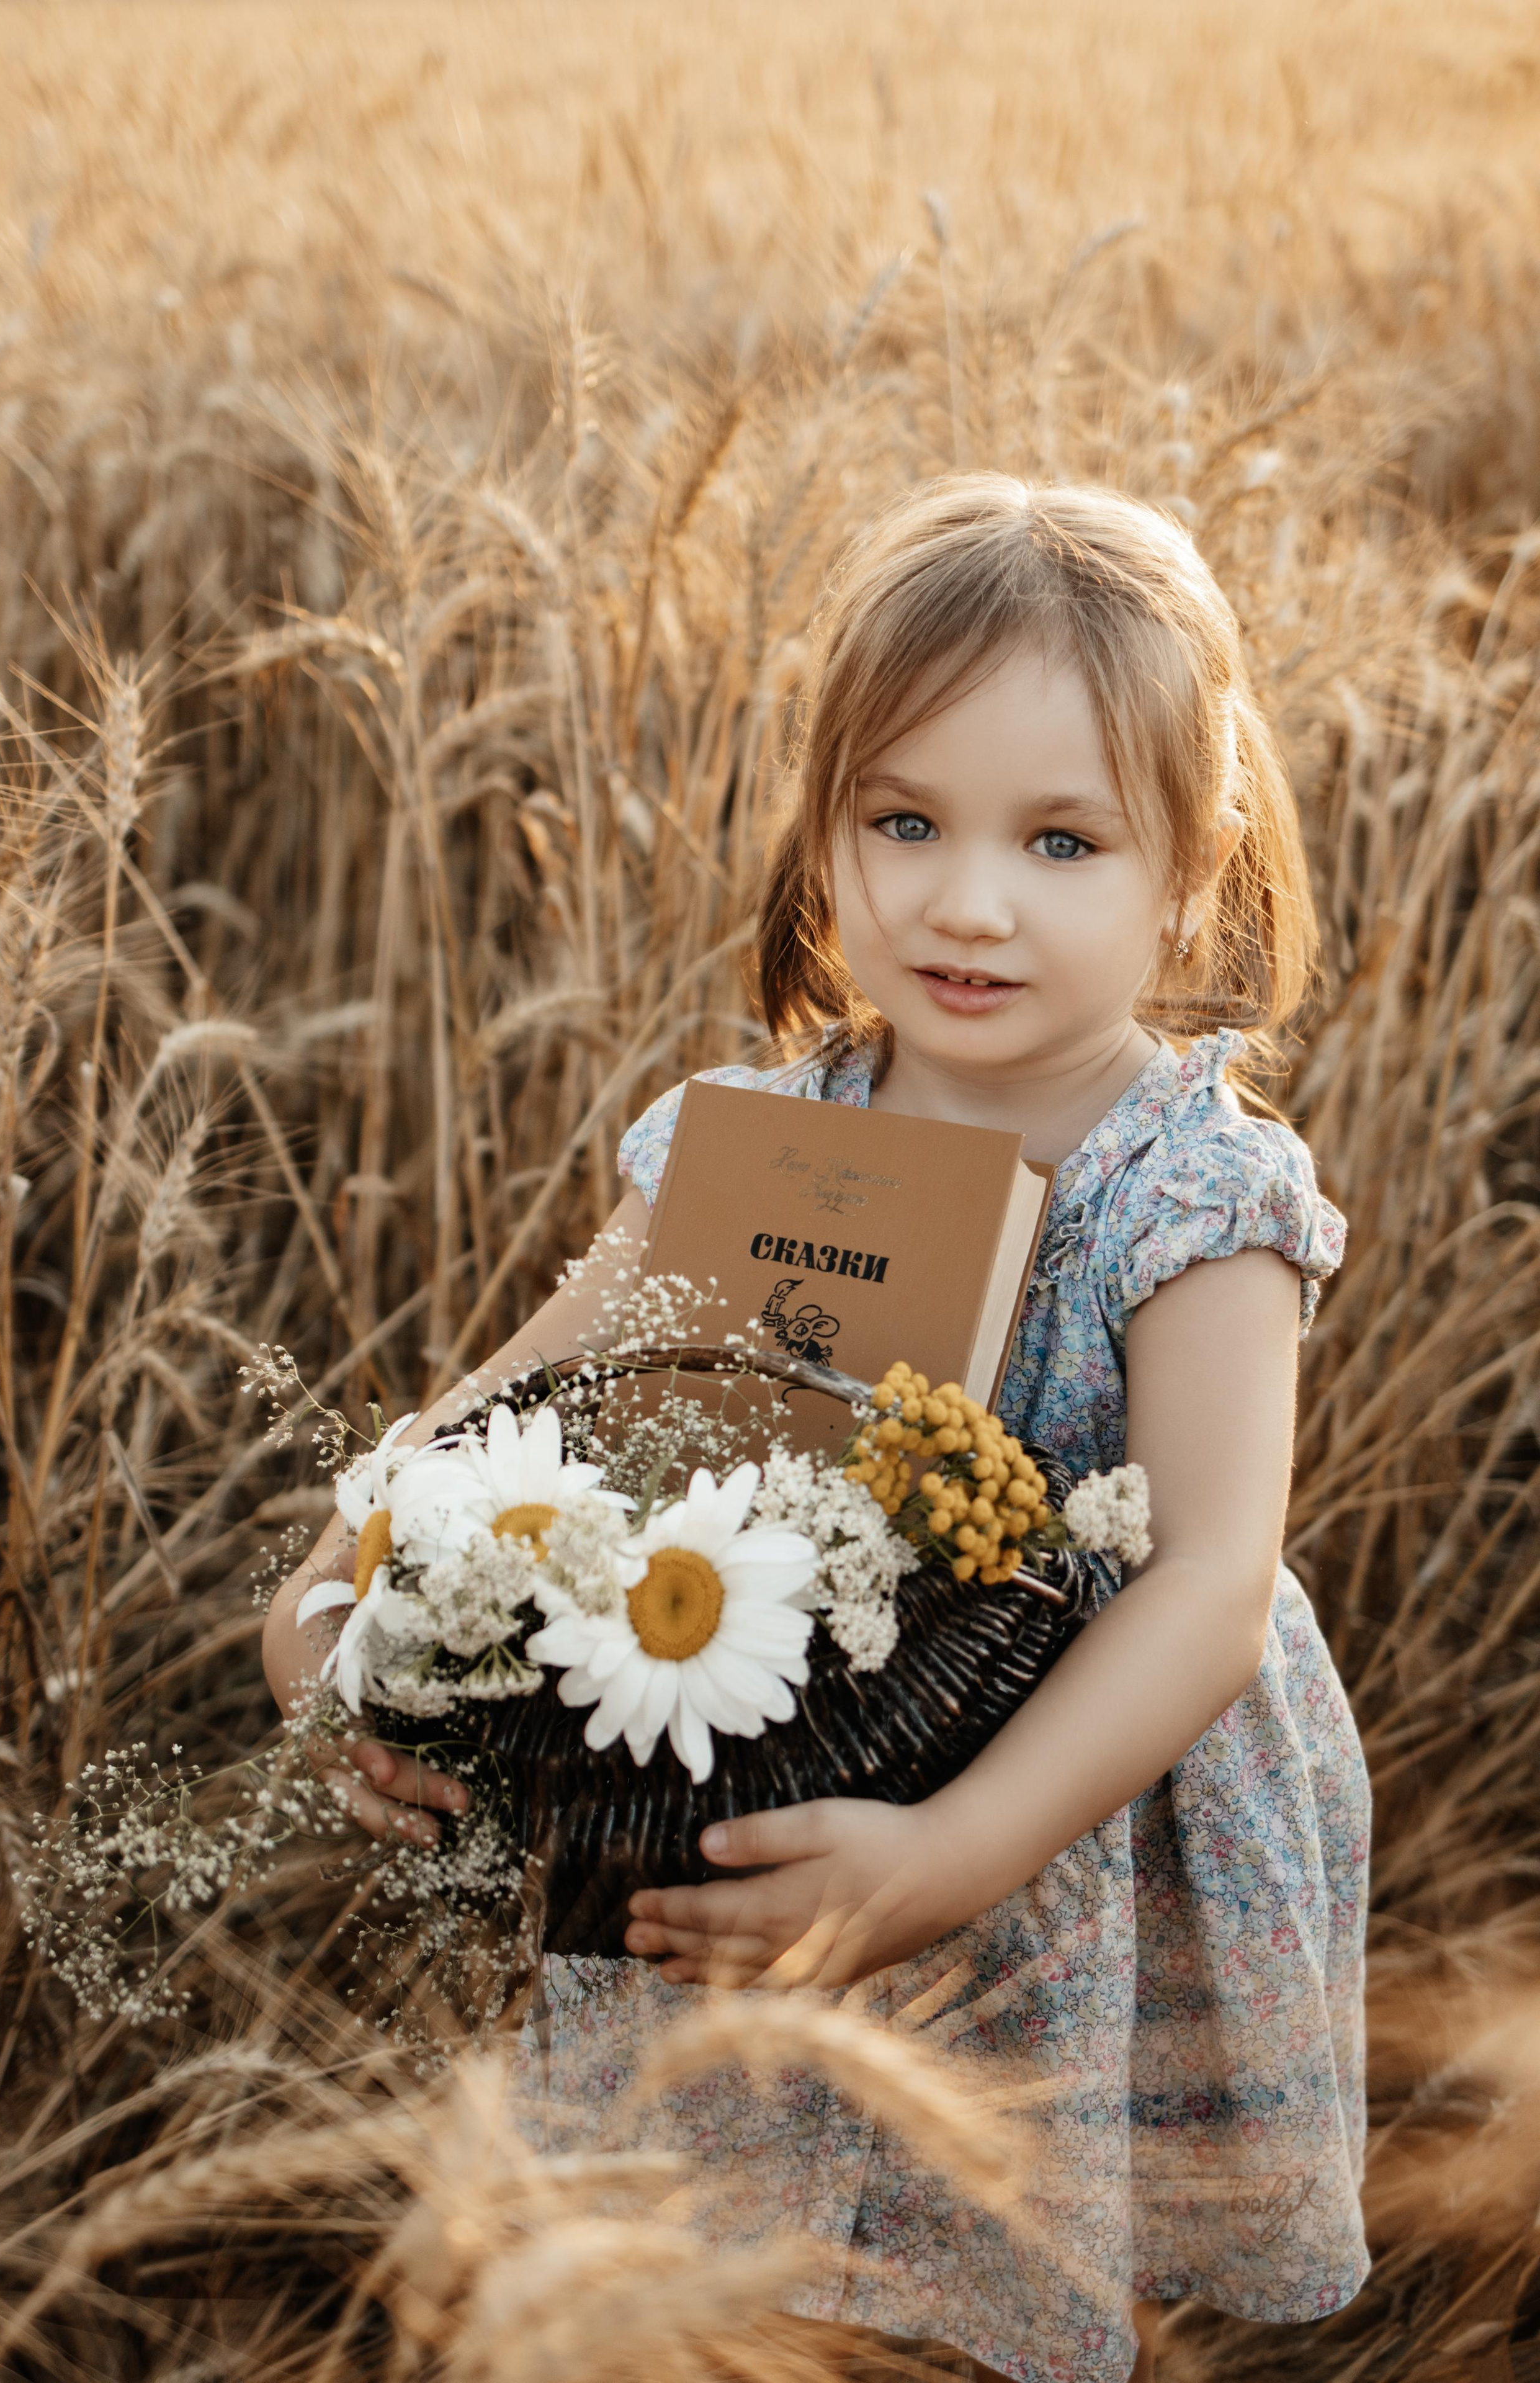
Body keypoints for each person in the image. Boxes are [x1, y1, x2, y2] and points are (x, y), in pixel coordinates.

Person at [262, 477, 1370, 2383]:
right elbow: (503, 1412)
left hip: (1063, 1836)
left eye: (1065, 840)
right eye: (905, 818)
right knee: (720, 2297)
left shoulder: (1187, 1191)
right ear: (826, 828)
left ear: (1196, 862)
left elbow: (1207, 1578)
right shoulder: (739, 1147)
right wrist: (338, 1599)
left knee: (1005, 2285)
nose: (967, 898)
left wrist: (950, 1860)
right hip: (746, 1790)